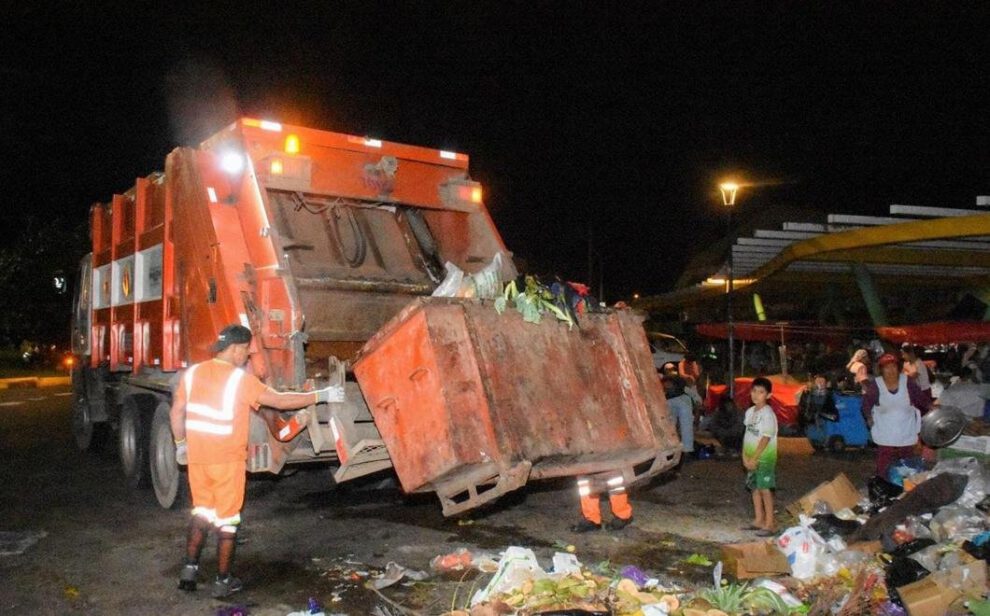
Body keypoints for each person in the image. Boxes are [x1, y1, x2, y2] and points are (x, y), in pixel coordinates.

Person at [170, 324, 344, 598]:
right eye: (246, 351)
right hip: (227, 462)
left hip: (199, 460)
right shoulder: (240, 381)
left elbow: (177, 412)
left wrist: (181, 444)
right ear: (235, 349)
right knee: (228, 522)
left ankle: (188, 572)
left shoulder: (193, 374)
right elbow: (280, 401)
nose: (247, 357)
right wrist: (321, 395)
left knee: (201, 512)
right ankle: (223, 582)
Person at [861, 353, 932, 478]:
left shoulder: (907, 381)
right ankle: (882, 479)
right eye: (887, 367)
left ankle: (907, 480)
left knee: (907, 456)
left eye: (893, 366)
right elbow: (867, 403)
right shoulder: (876, 385)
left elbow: (920, 398)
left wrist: (931, 406)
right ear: (881, 370)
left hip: (905, 427)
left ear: (898, 368)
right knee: (884, 456)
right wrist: (869, 417)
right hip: (885, 428)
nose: (891, 370)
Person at [742, 377, 778, 537]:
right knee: (754, 488)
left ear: (768, 395)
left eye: (761, 392)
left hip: (764, 458)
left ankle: (770, 524)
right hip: (751, 457)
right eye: (754, 391)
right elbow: (747, 434)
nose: (756, 395)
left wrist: (755, 457)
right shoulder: (750, 412)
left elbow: (766, 437)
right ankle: (758, 520)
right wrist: (744, 456)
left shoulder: (767, 414)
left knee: (765, 489)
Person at [661, 365, 695, 457]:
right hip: (673, 401)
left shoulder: (678, 380)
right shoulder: (667, 380)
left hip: (681, 400)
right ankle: (675, 448)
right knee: (670, 425)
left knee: (685, 426)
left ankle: (686, 449)